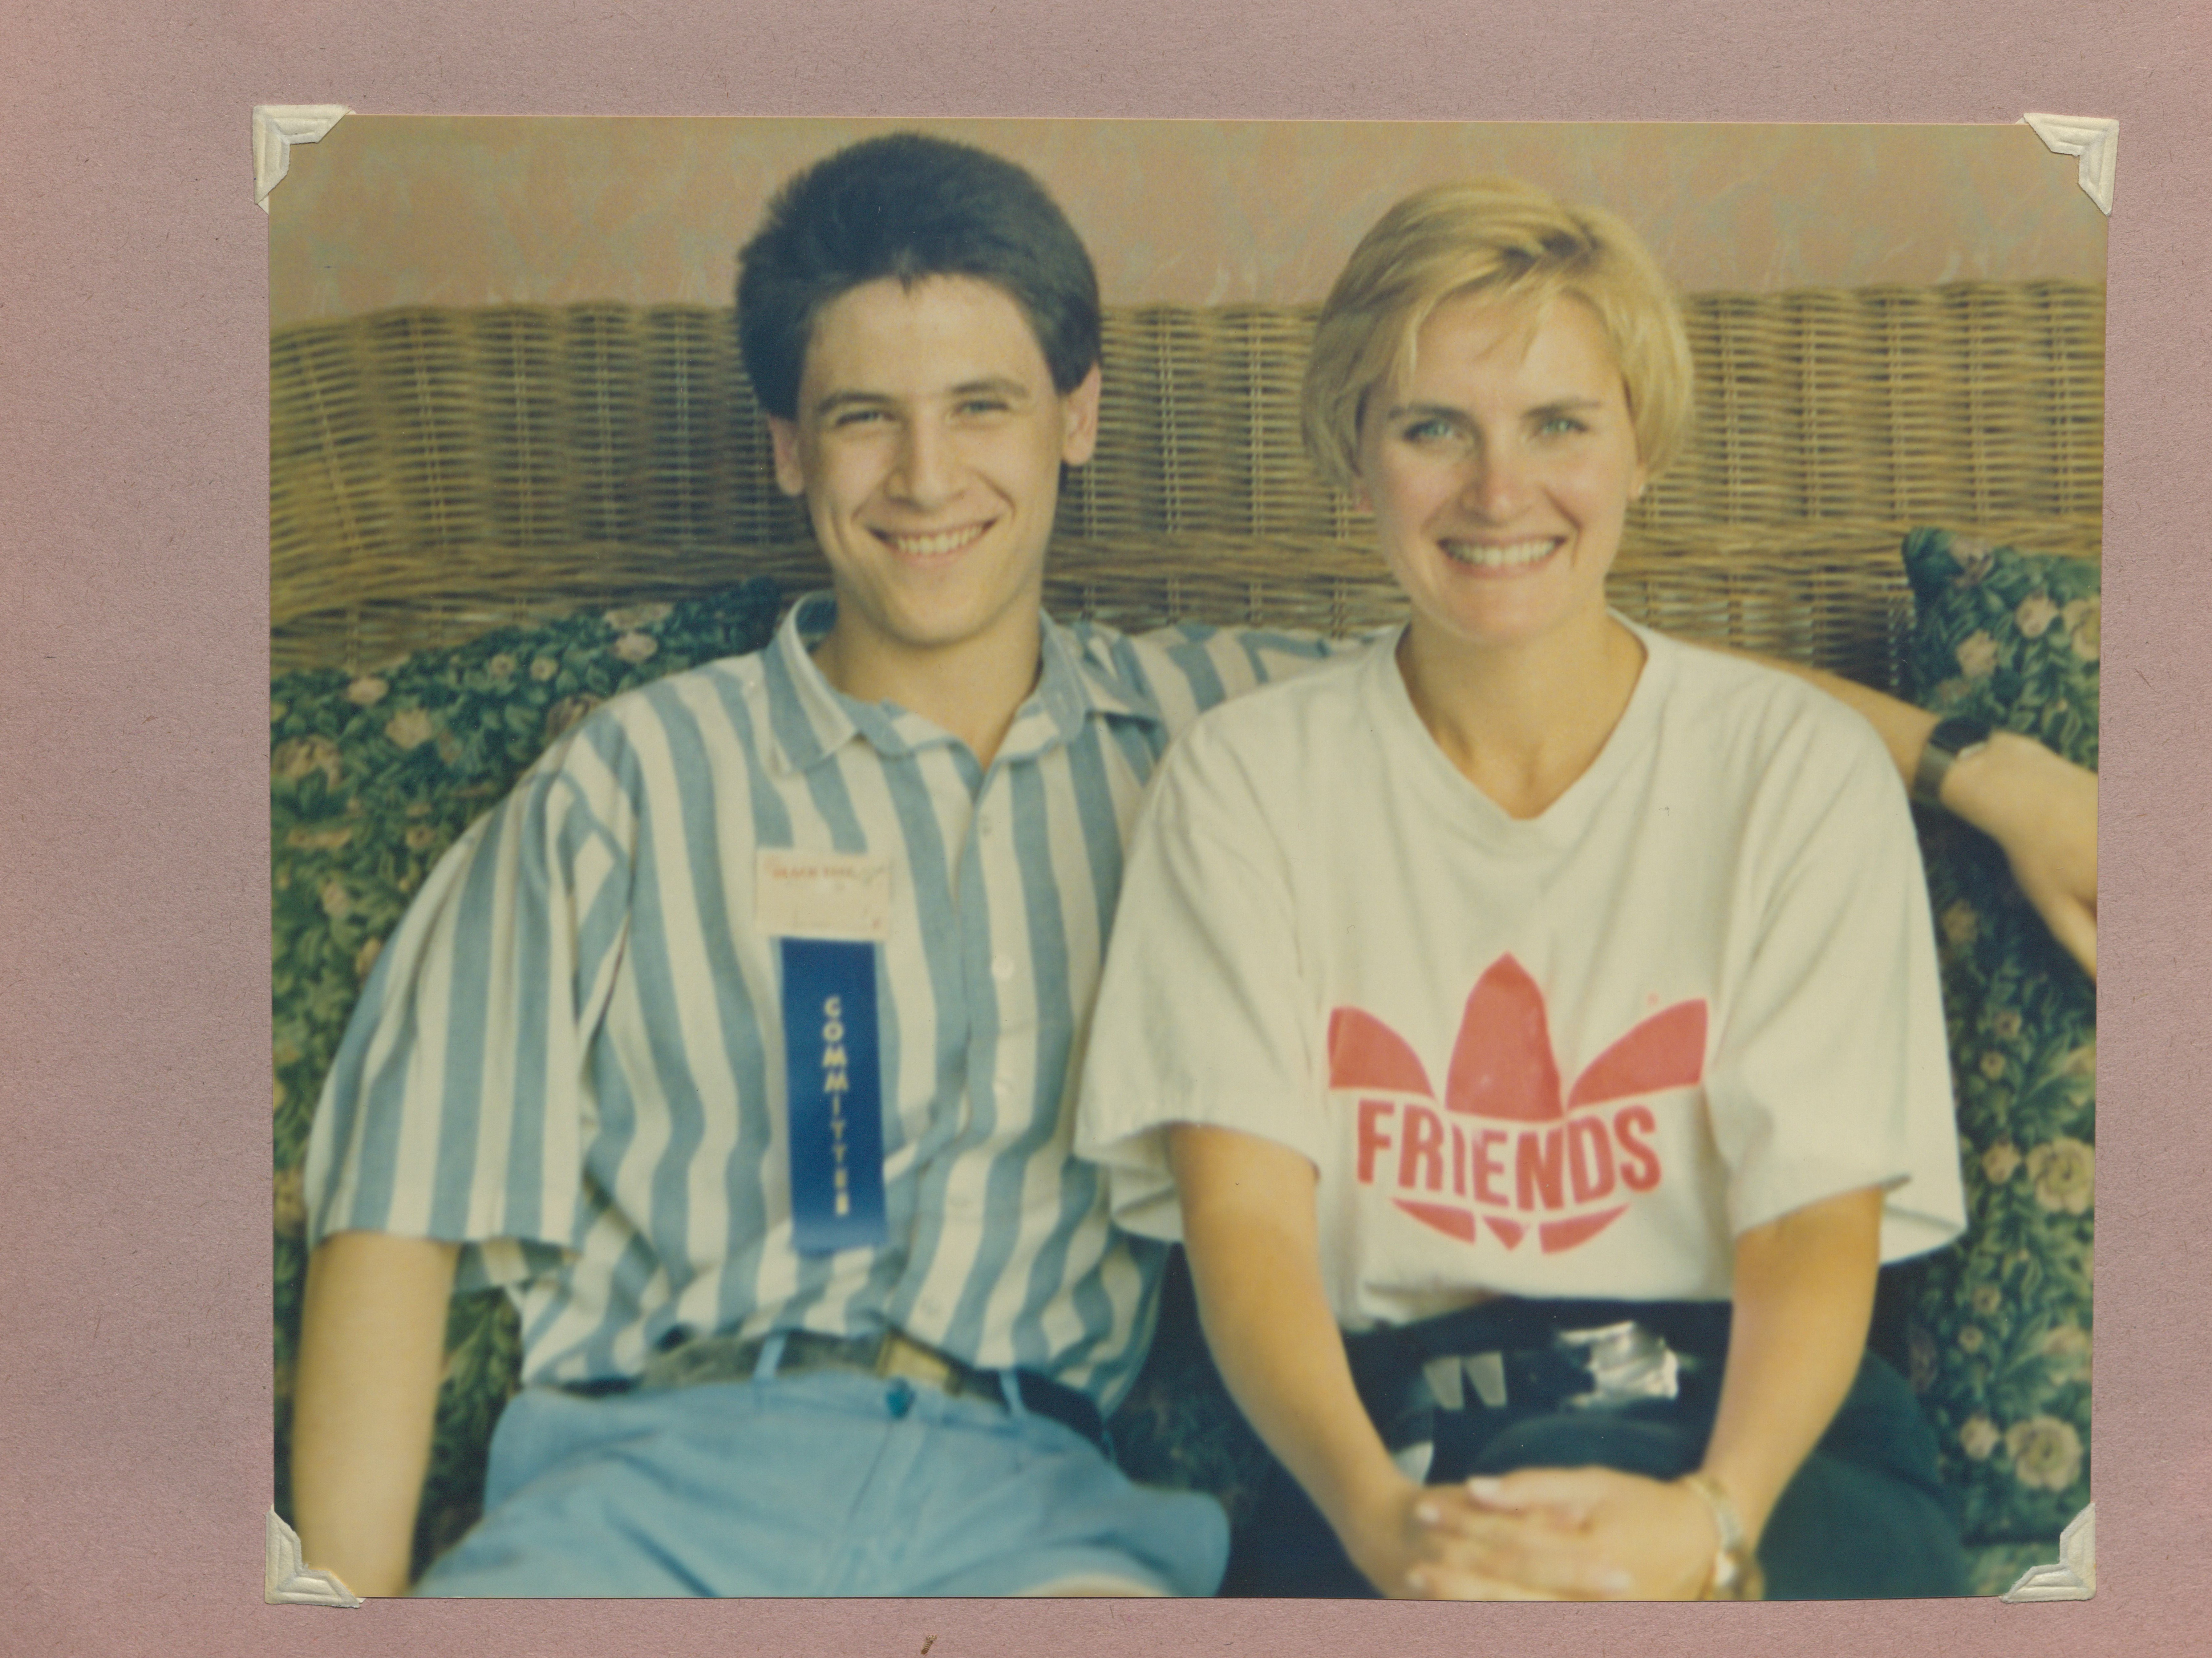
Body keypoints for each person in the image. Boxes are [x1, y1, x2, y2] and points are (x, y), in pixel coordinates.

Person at [293, 134, 2092, 1598]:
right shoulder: (638, 779)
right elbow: (400, 1202)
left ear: (1077, 415)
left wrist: (1978, 767)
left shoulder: (1207, 734)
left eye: (984, 405)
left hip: (1036, 1511)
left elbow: (1550, 636)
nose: (928, 477)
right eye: (862, 420)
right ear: (786, 449)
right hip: (652, 1477)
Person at [1075, 179, 1981, 1600]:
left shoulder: (1795, 766)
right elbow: (1241, 1234)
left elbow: (1815, 1218)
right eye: (1434, 429)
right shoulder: (1241, 780)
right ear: (1354, 456)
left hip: (1761, 1436)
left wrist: (1712, 1524)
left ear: (1640, 450)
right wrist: (1383, 1527)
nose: (1499, 493)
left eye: (1559, 425)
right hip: (1393, 1448)